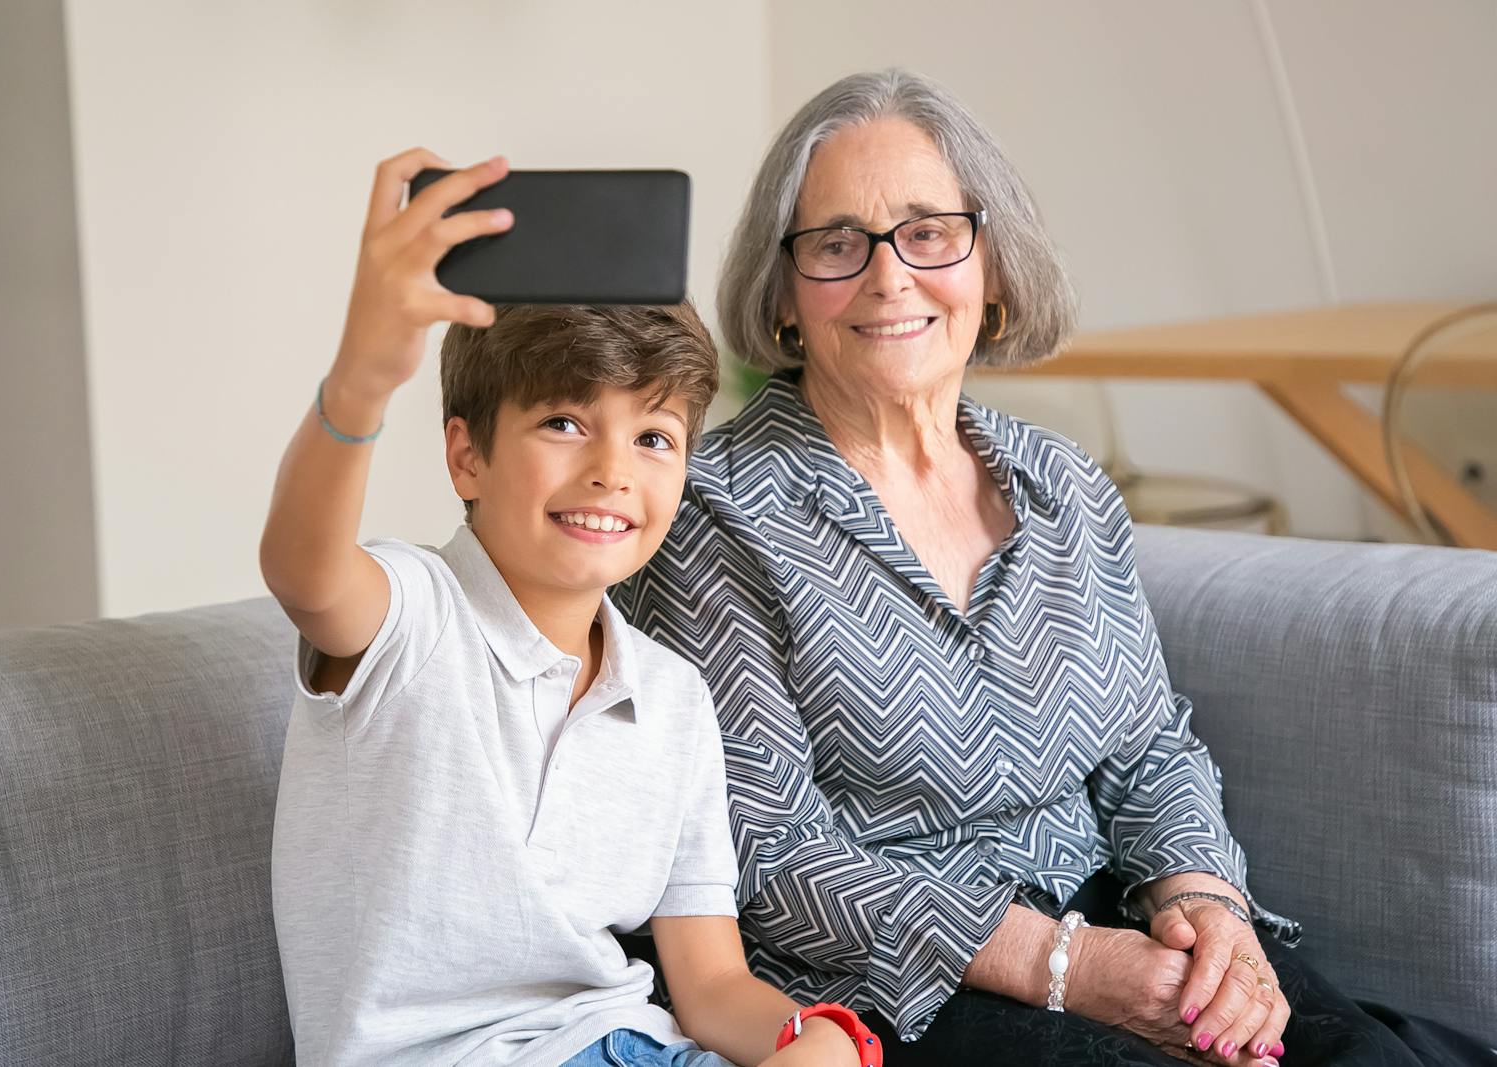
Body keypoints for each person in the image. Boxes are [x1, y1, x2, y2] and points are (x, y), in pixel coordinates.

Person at [614, 70, 1497, 1067]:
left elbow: (1148, 749)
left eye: (929, 231)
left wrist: (1207, 908)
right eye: (835, 243)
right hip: (898, 984)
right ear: (780, 295)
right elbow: (768, 855)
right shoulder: (714, 513)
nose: (888, 275)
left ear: (992, 265)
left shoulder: (1061, 486)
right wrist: (1066, 962)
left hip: (1120, 923)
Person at [263, 150, 881, 1067]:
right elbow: (305, 571)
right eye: (563, 422)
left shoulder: (672, 698)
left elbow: (710, 986)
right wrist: (363, 375)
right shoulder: (415, 618)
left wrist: (813, 1036)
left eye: (654, 436)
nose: (612, 470)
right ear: (467, 456)